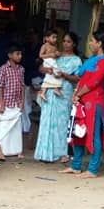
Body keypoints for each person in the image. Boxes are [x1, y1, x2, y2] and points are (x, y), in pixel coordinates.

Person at [59, 30, 104, 178]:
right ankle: (76, 166)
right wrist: (75, 94)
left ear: (99, 43)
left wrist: (77, 94)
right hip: (82, 101)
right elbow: (80, 78)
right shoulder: (91, 60)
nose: (90, 43)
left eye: (92, 41)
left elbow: (93, 83)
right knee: (79, 133)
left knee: (94, 135)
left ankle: (92, 169)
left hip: (95, 103)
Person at [34, 32, 82, 163]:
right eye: (64, 41)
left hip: (64, 93)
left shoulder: (77, 60)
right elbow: (42, 66)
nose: (66, 44)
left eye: (69, 42)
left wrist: (64, 75)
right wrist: (45, 70)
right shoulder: (57, 55)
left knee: (61, 123)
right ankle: (44, 153)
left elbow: (78, 78)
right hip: (50, 90)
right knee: (46, 121)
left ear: (74, 44)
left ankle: (61, 153)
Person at [0, 45, 25, 161]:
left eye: (20, 54)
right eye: (17, 54)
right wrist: (1, 102)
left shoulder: (21, 69)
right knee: (2, 126)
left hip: (16, 102)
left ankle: (16, 150)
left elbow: (22, 86)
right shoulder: (3, 68)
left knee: (15, 127)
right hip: (6, 102)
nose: (20, 56)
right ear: (10, 55)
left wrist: (22, 101)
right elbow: (0, 86)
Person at [37, 30, 63, 98]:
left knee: (53, 75)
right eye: (53, 37)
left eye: (56, 37)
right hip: (47, 62)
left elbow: (56, 54)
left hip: (53, 61)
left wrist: (58, 54)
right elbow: (40, 55)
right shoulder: (44, 46)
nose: (55, 39)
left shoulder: (55, 46)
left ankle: (52, 89)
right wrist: (50, 55)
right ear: (47, 38)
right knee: (55, 72)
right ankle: (54, 89)